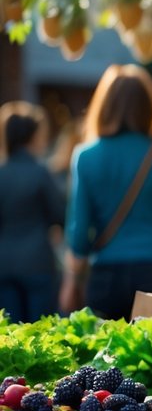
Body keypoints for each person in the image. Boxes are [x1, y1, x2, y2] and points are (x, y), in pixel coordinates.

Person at [61, 65, 152, 320]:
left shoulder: (85, 156)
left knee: (105, 357)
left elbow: (78, 236)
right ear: (150, 107)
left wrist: (71, 277)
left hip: (106, 275)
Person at [0, 102, 66, 322]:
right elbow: (59, 214)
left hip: (4, 263)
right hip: (38, 262)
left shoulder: (2, 173)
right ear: (33, 135)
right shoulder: (40, 173)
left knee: (9, 333)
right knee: (40, 331)